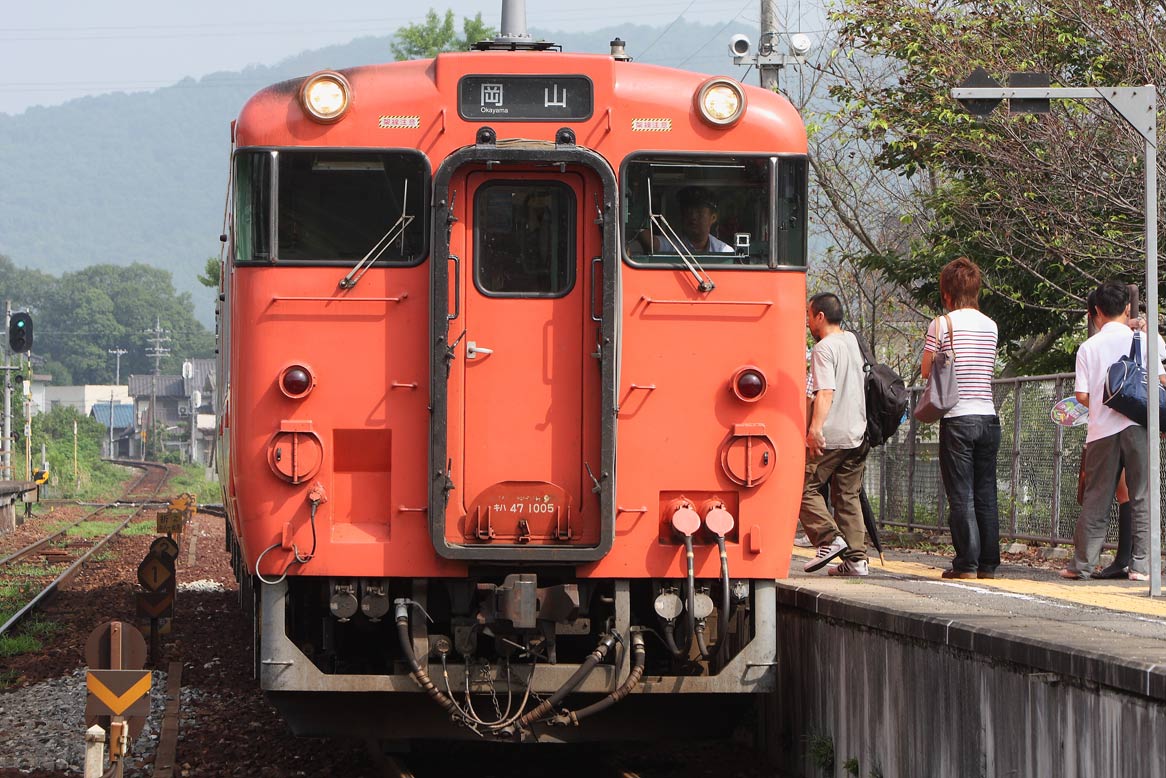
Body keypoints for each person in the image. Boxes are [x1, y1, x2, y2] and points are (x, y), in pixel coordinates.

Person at [1061, 281, 1166, 581]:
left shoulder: (1088, 347)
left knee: (1097, 498)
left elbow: (1081, 397)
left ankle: (1081, 565)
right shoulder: (1146, 340)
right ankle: (1143, 567)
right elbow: (1160, 379)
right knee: (1143, 495)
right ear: (1126, 308)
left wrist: (1103, 398)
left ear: (1096, 311)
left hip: (1102, 431)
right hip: (1138, 426)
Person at [921, 257, 1000, 580]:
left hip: (958, 417)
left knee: (961, 493)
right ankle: (988, 564)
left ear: (947, 292)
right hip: (989, 417)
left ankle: (965, 563)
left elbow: (927, 370)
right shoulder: (991, 325)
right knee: (986, 491)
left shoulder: (942, 324)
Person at [800, 292, 870, 576]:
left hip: (833, 434)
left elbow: (825, 392)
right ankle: (857, 560)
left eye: (808, 316)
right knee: (847, 495)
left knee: (802, 488)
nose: (807, 323)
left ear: (820, 316)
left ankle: (829, 539)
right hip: (858, 432)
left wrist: (814, 429)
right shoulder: (853, 341)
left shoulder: (824, 348)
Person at [632, 186, 734, 255]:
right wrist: (636, 218)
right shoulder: (673, 245)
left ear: (713, 218)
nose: (693, 217)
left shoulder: (724, 251)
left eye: (699, 212)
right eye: (688, 212)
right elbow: (652, 243)